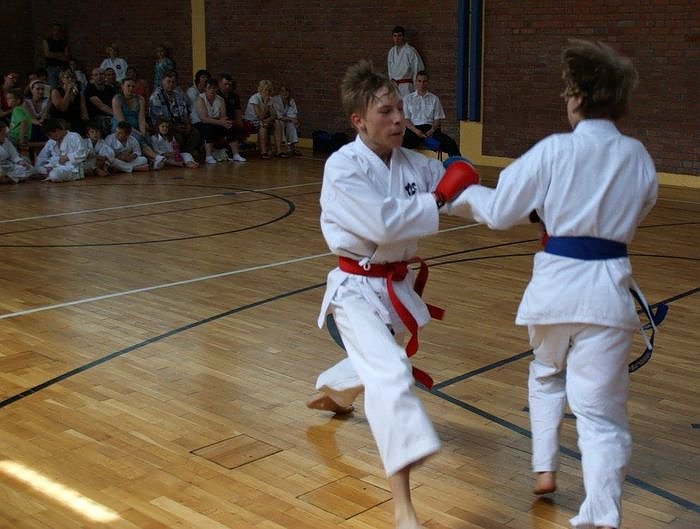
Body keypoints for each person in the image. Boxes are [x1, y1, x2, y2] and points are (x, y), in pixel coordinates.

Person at [445, 39, 657, 529]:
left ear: (577, 97)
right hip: (607, 297)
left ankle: (545, 469)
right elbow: (639, 210)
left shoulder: (554, 150)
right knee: (601, 417)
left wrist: (458, 195)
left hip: (554, 292)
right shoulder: (638, 157)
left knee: (545, 373)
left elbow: (501, 212)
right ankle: (602, 516)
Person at [307, 60, 478, 529]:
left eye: (400, 109)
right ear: (359, 121)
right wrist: (438, 197)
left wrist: (529, 209)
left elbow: (465, 197)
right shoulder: (343, 168)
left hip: (395, 290)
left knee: (378, 362)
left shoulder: (413, 164)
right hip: (355, 292)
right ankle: (404, 511)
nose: (399, 119)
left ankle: (334, 393)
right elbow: (385, 223)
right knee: (390, 373)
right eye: (385, 112)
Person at [402, 70, 461, 157]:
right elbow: (406, 120)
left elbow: (437, 119)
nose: (422, 84)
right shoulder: (407, 98)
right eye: (419, 81)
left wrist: (431, 131)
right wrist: (416, 131)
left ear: (428, 83)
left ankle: (457, 164)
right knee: (398, 146)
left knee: (451, 143)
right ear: (416, 82)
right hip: (413, 130)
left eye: (424, 81)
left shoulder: (434, 99)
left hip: (430, 129)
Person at [112, 77, 164, 170]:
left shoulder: (140, 99)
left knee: (146, 136)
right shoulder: (117, 99)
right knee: (137, 137)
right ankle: (156, 157)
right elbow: (122, 122)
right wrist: (137, 133)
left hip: (136, 126)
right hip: (122, 128)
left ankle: (153, 160)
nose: (131, 88)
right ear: (122, 87)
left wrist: (142, 131)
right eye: (128, 86)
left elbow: (141, 118)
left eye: (133, 86)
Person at [149, 70, 201, 159]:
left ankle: (185, 153)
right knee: (178, 137)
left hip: (179, 123)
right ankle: (182, 155)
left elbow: (184, 112)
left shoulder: (178, 95)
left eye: (173, 82)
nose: (171, 84)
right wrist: (174, 127)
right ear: (162, 82)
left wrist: (188, 125)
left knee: (195, 133)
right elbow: (158, 119)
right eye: (168, 82)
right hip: (164, 126)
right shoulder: (156, 97)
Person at [195, 78, 246, 164]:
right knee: (208, 127)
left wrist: (218, 120)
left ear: (217, 89)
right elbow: (204, 119)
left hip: (216, 122)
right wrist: (219, 121)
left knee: (229, 125)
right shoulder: (200, 99)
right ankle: (208, 156)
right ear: (205, 89)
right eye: (209, 88)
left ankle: (236, 154)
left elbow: (223, 117)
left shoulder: (220, 99)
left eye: (214, 88)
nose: (212, 90)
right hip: (200, 124)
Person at [36, 118, 87, 182]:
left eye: (50, 135)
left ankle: (49, 174)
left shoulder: (74, 136)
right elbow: (41, 158)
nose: (50, 138)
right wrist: (48, 166)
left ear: (57, 130)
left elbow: (82, 153)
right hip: (55, 167)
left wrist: (67, 157)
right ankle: (48, 173)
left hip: (72, 169)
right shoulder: (51, 141)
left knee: (54, 175)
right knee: (36, 169)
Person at [243, 79, 285, 159]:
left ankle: (279, 151)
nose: (267, 92)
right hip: (251, 121)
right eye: (265, 90)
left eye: (269, 90)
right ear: (260, 89)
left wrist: (268, 120)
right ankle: (263, 152)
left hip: (263, 119)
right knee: (262, 125)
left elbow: (274, 115)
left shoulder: (270, 99)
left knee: (278, 123)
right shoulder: (254, 98)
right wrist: (265, 103)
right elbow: (260, 116)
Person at [387, 26, 424, 97]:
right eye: (395, 36)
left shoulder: (410, 51)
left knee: (408, 103)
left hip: (407, 86)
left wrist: (417, 88)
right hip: (394, 86)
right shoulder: (391, 52)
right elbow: (390, 72)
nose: (397, 38)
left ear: (403, 37)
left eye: (399, 36)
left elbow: (417, 70)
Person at [48, 69, 88, 134]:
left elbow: (84, 111)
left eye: (72, 77)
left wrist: (85, 120)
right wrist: (68, 91)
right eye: (67, 77)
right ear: (62, 80)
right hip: (60, 121)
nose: (70, 79)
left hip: (75, 121)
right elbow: (63, 108)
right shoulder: (55, 91)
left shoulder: (79, 94)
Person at [217, 73, 248, 156]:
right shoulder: (217, 96)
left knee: (244, 125)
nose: (227, 86)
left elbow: (237, 109)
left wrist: (239, 120)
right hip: (220, 119)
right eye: (225, 84)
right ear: (220, 84)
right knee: (230, 126)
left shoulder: (234, 96)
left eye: (229, 84)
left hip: (233, 118)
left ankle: (240, 144)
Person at [84, 67, 116, 135]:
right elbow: (102, 106)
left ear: (105, 76)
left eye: (101, 74)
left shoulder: (109, 88)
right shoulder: (89, 89)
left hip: (110, 114)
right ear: (92, 77)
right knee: (108, 121)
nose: (99, 77)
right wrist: (117, 115)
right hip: (96, 117)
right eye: (96, 75)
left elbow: (116, 102)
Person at [272, 85, 301, 156]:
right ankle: (282, 147)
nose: (285, 93)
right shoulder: (275, 100)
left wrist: (295, 120)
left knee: (291, 124)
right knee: (280, 123)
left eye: (287, 91)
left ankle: (292, 147)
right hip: (274, 120)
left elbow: (293, 115)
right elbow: (278, 116)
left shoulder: (291, 100)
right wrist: (291, 119)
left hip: (286, 120)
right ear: (279, 92)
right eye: (282, 91)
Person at [43, 23, 70, 88]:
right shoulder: (47, 41)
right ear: (51, 31)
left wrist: (53, 55)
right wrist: (60, 54)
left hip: (62, 68)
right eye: (54, 30)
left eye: (58, 30)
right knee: (52, 87)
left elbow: (66, 58)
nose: (56, 32)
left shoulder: (64, 42)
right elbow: (47, 54)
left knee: (64, 87)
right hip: (51, 68)